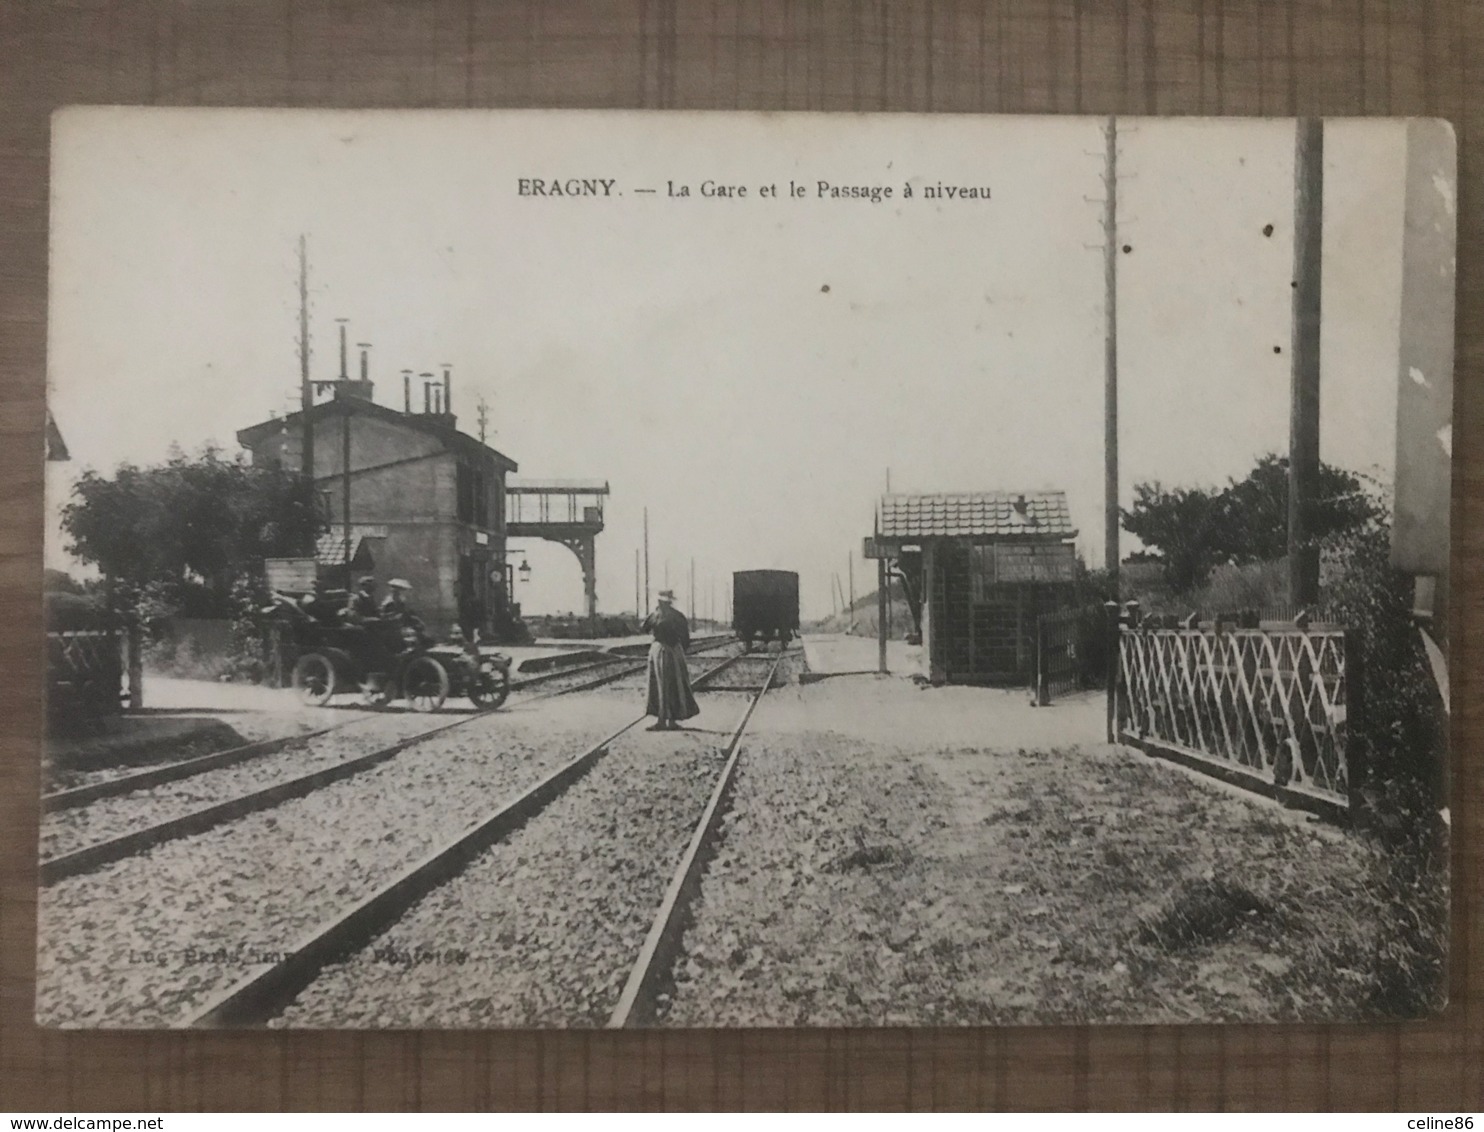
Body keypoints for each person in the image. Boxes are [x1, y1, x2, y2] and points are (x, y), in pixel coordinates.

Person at [641, 589, 699, 731]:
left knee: (661, 686)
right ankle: (671, 720)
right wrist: (679, 651)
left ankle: (662, 720)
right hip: (673, 651)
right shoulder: (678, 616)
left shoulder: (655, 615)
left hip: (659, 650)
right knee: (674, 685)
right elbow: (686, 638)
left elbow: (643, 628)